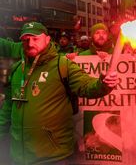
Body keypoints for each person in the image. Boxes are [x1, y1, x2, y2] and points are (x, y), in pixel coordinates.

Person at [0, 21, 118, 165]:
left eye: (35, 38)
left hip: (53, 158)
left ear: (47, 39)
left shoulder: (62, 65)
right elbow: (7, 108)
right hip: (18, 157)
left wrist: (103, 84)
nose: (30, 43)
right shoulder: (18, 69)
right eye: (25, 39)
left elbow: (87, 86)